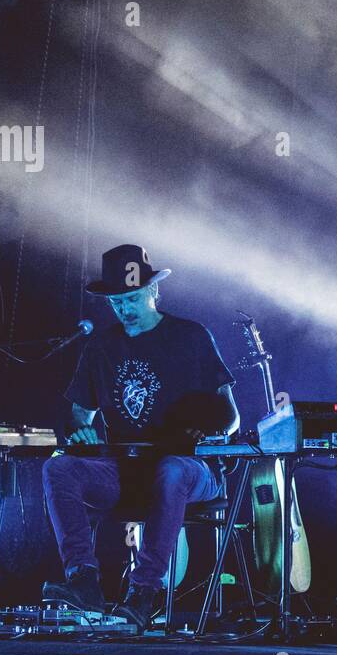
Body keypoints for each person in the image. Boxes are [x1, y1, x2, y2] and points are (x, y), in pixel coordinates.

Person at [41, 244, 239, 630]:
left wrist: (207, 427)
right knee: (59, 469)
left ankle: (143, 593)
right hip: (125, 471)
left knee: (171, 471)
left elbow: (231, 417)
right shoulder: (101, 345)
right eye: (116, 302)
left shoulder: (191, 336)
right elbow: (81, 412)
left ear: (153, 292)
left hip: (192, 468)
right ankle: (83, 580)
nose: (124, 309)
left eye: (132, 298)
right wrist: (81, 430)